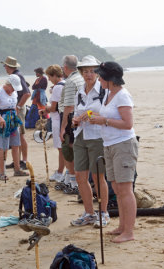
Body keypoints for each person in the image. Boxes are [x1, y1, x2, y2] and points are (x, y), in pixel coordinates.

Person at [89, 61, 139, 243]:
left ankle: (129, 232)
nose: (98, 78)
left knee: (125, 189)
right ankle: (122, 226)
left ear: (110, 78)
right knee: (117, 188)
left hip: (123, 145)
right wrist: (98, 119)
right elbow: (108, 117)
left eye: (101, 75)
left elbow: (128, 124)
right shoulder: (109, 93)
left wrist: (104, 121)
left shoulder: (123, 96)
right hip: (110, 144)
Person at [70, 55, 109, 228]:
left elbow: (109, 114)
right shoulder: (80, 92)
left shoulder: (104, 91)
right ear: (81, 73)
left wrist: (91, 115)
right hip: (81, 135)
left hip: (97, 137)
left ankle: (103, 213)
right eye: (85, 71)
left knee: (98, 176)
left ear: (98, 73)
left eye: (92, 71)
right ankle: (89, 213)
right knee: (80, 175)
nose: (89, 74)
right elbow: (77, 113)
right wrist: (75, 120)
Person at [0, 74, 29, 180]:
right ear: (8, 84)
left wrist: (15, 116)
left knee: (16, 145)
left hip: (12, 119)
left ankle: (17, 170)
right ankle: (2, 173)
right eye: (12, 88)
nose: (12, 90)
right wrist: (0, 118)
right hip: (2, 120)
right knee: (4, 147)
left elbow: (15, 106)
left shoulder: (14, 92)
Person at [58, 55, 84, 192]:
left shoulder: (70, 81)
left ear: (65, 67)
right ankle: (71, 179)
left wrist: (62, 128)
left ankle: (74, 183)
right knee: (75, 149)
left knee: (68, 149)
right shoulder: (80, 78)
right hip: (79, 117)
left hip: (71, 118)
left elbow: (68, 107)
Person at [1, 56, 31, 170]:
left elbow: (27, 93)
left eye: (5, 66)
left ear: (8, 66)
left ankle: (23, 161)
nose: (4, 68)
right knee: (17, 136)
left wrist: (18, 106)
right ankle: (17, 161)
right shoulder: (16, 75)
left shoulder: (18, 76)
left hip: (18, 108)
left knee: (21, 135)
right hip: (16, 108)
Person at [40, 64, 66, 183]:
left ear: (54, 75)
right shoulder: (66, 84)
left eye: (49, 77)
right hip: (63, 118)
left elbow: (54, 108)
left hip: (57, 120)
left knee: (61, 148)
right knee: (64, 147)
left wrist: (45, 109)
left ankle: (60, 172)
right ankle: (63, 171)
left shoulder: (57, 88)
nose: (49, 79)